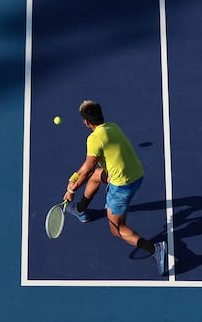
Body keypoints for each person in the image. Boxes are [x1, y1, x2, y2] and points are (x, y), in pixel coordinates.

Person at [63, 100, 167, 275]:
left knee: (117, 229)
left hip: (122, 186)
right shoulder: (112, 127)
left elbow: (87, 168)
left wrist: (72, 191)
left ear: (86, 122)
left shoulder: (94, 139)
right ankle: (81, 210)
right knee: (97, 176)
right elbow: (89, 169)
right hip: (137, 175)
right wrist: (72, 179)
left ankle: (155, 249)